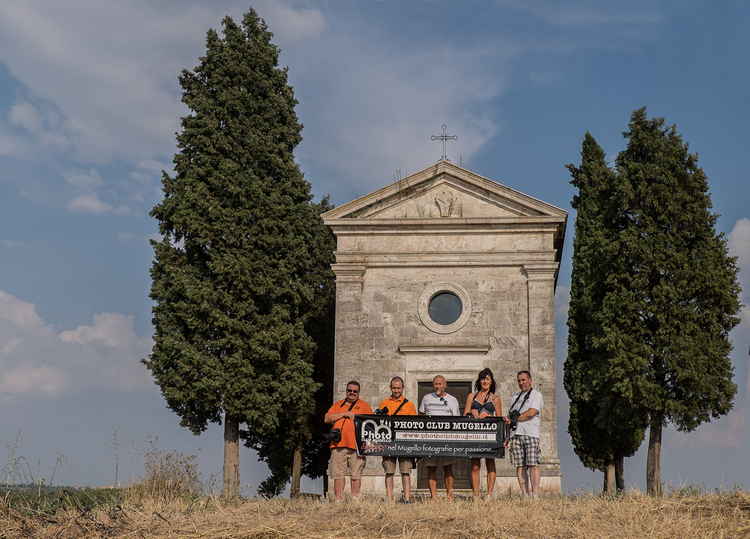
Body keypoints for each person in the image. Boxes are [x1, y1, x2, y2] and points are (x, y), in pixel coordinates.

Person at [325, 380, 373, 500]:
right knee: (338, 474)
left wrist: (365, 448)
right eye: (349, 390)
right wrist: (344, 414)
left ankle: (355, 498)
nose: (352, 393)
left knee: (356, 473)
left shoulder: (364, 405)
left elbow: (371, 426)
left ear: (359, 392)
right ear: (346, 391)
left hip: (357, 446)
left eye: (354, 391)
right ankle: (338, 498)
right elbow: (327, 419)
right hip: (338, 445)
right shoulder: (338, 405)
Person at [419, 374, 460, 501]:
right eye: (435, 384)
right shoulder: (426, 398)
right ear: (433, 385)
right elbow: (420, 415)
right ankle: (433, 496)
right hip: (430, 439)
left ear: (445, 384)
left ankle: (449, 496)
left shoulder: (453, 400)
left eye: (440, 384)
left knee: (448, 467)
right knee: (431, 468)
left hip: (447, 440)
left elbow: (457, 420)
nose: (437, 386)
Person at [463, 368, 502, 499]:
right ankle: (476, 495)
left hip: (490, 436)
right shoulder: (471, 396)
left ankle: (489, 494)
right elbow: (464, 416)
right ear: (479, 381)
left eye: (487, 379)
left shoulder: (495, 399)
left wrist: (489, 416)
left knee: (490, 463)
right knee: (474, 465)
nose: (485, 381)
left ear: (491, 382)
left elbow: (500, 419)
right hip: (474, 435)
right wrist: (471, 413)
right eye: (483, 378)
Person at [503, 370, 544, 497]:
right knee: (519, 465)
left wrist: (513, 418)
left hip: (531, 434)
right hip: (516, 434)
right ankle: (525, 494)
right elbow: (509, 419)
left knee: (533, 464)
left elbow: (531, 413)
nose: (521, 383)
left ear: (530, 380)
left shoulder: (536, 395)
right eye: (519, 380)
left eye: (523, 380)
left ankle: (535, 494)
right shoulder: (515, 398)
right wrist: (507, 436)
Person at [378, 376, 418, 503]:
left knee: (405, 471)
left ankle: (406, 499)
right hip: (388, 442)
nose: (396, 390)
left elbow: (415, 424)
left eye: (398, 388)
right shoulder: (384, 403)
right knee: (389, 471)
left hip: (404, 443)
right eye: (394, 388)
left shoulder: (410, 405)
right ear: (390, 388)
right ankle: (389, 499)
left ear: (403, 388)